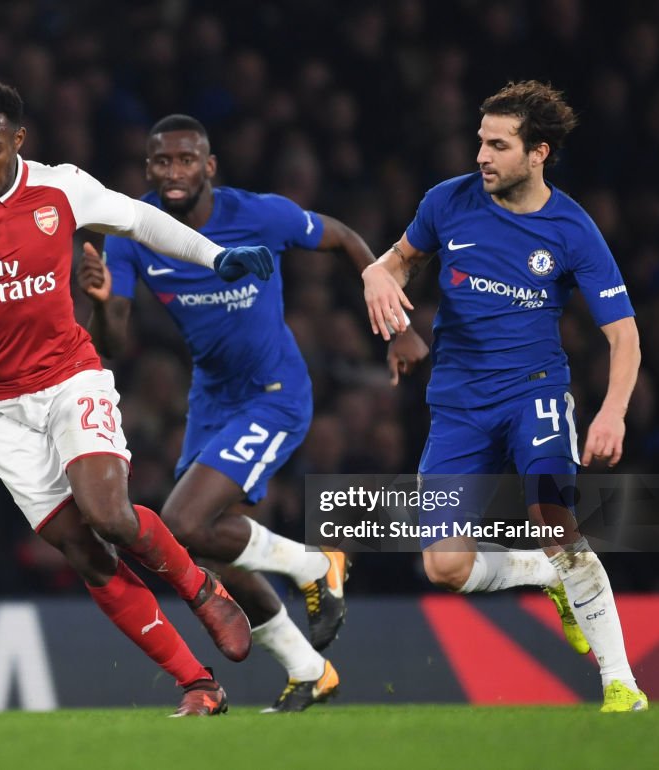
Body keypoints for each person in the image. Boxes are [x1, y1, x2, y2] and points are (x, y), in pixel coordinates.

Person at [0, 80, 279, 717]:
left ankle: (200, 586)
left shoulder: (61, 187)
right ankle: (197, 684)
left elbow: (142, 218)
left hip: (70, 377)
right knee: (85, 553)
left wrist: (216, 257)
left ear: (18, 140)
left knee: (109, 515)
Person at [78, 114, 429, 711]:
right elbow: (113, 345)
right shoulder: (132, 230)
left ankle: (316, 564)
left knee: (181, 523)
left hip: (275, 392)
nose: (174, 173)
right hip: (212, 398)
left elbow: (343, 237)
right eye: (161, 162)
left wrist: (396, 324)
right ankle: (308, 669)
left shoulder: (259, 214)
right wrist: (105, 303)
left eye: (186, 160)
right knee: (206, 549)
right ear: (147, 170)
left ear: (209, 167)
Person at [362, 80, 646, 712]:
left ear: (538, 152)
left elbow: (623, 335)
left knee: (553, 517)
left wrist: (612, 411)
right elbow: (399, 259)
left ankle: (621, 681)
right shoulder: (447, 202)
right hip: (458, 405)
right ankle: (549, 576)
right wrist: (376, 274)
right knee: (444, 568)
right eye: (480, 141)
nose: (481, 156)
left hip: (535, 393)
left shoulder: (573, 228)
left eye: (498, 145)